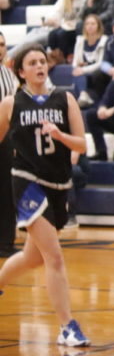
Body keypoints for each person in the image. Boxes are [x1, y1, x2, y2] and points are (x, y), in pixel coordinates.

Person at [0, 44, 90, 347]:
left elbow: (81, 146)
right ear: (21, 71)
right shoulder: (11, 104)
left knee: (32, 257)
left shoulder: (65, 99)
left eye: (42, 61)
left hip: (58, 185)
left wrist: (61, 136)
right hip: (26, 182)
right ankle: (67, 326)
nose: (40, 66)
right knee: (54, 256)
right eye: (33, 63)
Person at [9, 0, 85, 65]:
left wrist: (59, 23)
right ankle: (8, 57)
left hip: (63, 31)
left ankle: (8, 58)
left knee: (31, 41)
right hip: (52, 28)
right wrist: (55, 22)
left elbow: (81, 20)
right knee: (30, 37)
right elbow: (51, 17)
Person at [0, 32, 19, 258]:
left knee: (6, 190)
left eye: (3, 45)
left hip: (5, 138)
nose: (0, 48)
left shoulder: (9, 74)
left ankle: (5, 241)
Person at [71, 14, 109, 108]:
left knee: (81, 72)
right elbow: (75, 62)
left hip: (96, 72)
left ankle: (86, 98)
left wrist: (83, 70)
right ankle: (83, 95)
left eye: (93, 24)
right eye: (87, 24)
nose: (90, 26)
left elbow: (101, 63)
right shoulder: (80, 40)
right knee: (77, 72)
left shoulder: (104, 40)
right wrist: (77, 68)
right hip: (83, 72)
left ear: (98, 26)